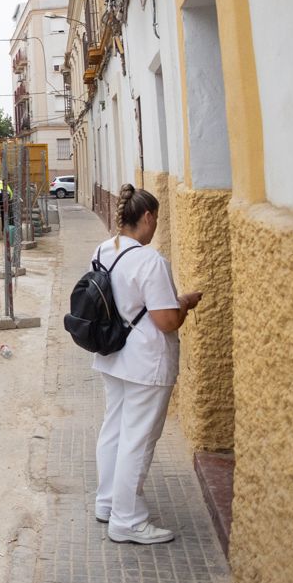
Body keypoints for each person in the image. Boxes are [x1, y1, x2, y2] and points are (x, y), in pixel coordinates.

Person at [92, 185, 202, 545]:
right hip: (145, 363)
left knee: (114, 431)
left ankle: (107, 503)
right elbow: (167, 321)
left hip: (112, 355)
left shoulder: (103, 250)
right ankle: (128, 521)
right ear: (148, 217)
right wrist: (183, 303)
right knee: (137, 441)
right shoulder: (151, 261)